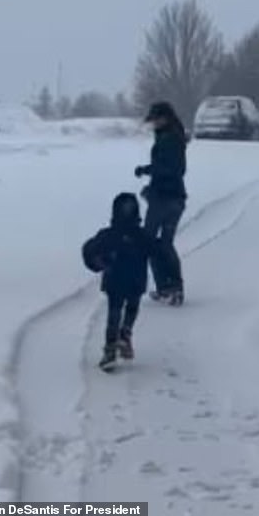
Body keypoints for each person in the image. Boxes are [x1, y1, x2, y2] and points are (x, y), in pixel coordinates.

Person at [82, 192, 163, 370]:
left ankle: (117, 341)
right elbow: (157, 251)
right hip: (130, 279)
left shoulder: (112, 235)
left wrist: (97, 261)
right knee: (121, 312)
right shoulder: (138, 235)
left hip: (118, 279)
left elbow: (90, 249)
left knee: (120, 311)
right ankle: (118, 340)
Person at [135, 101, 187, 305]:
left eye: (156, 119)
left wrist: (148, 172)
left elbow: (174, 169)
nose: (153, 124)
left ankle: (170, 287)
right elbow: (166, 168)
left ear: (165, 118)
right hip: (171, 197)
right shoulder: (172, 136)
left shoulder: (170, 139)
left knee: (153, 243)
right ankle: (170, 288)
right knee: (163, 243)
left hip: (165, 199)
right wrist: (150, 178)